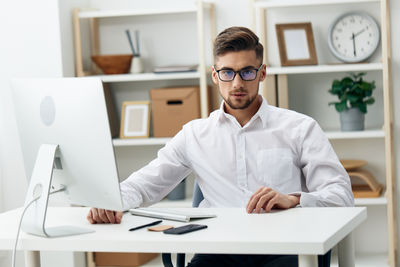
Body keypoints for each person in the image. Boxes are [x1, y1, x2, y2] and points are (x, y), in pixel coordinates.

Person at [87, 26, 354, 266]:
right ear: (215, 75)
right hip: (216, 253)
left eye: (247, 72)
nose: (237, 83)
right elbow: (145, 184)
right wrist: (109, 202)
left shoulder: (300, 128)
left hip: (282, 250)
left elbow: (341, 195)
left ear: (262, 74)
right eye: (227, 72)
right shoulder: (195, 135)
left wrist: (294, 199)